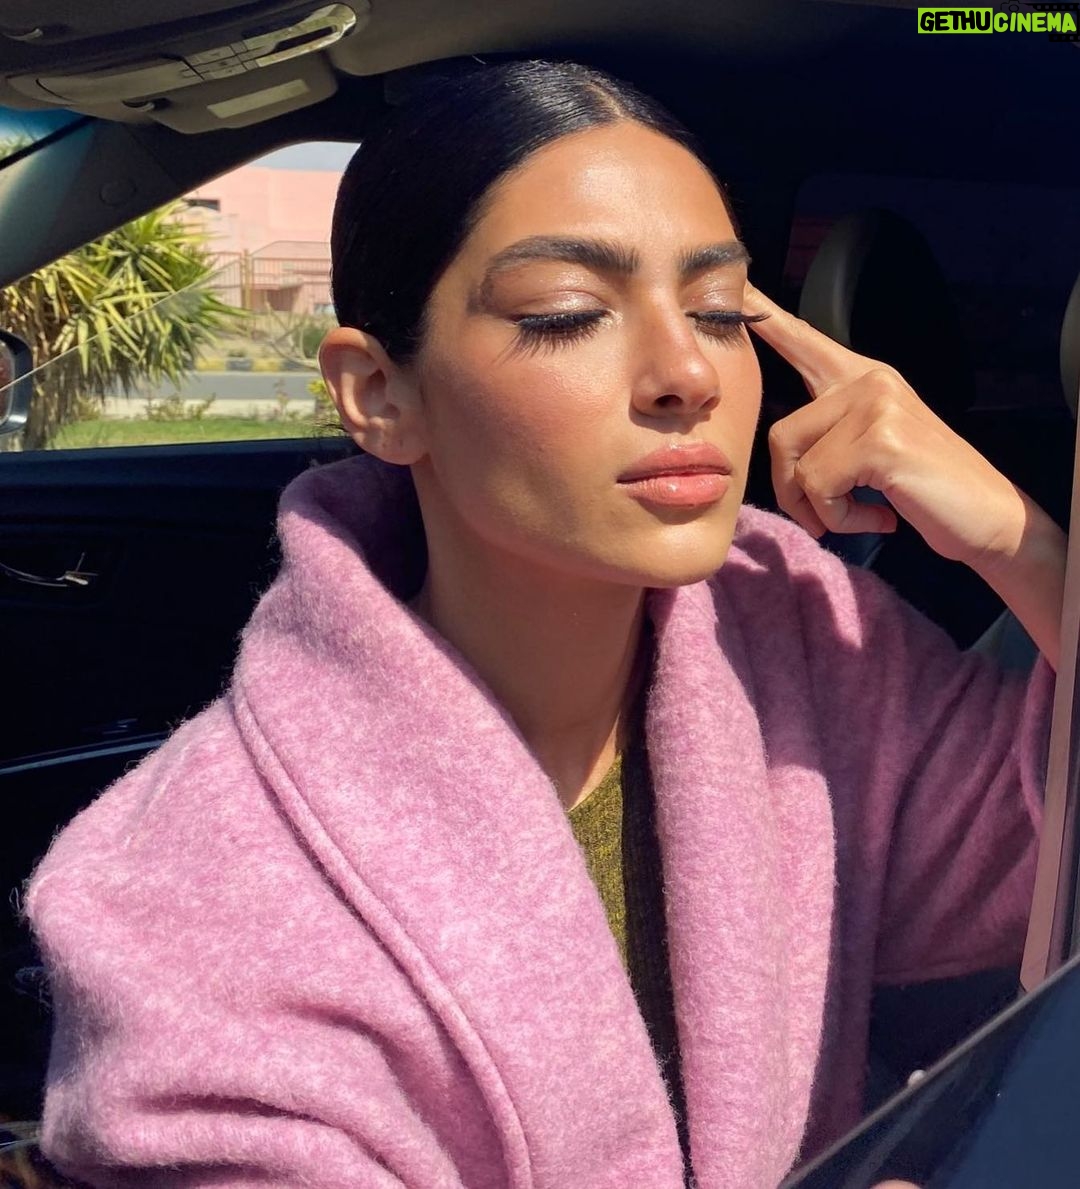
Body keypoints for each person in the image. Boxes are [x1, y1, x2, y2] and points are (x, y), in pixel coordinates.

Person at [24, 59, 1064, 1189]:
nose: (687, 373)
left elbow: (1048, 851)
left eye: (720, 312)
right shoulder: (184, 897)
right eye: (568, 314)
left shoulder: (798, 637)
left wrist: (1026, 547)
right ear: (380, 393)